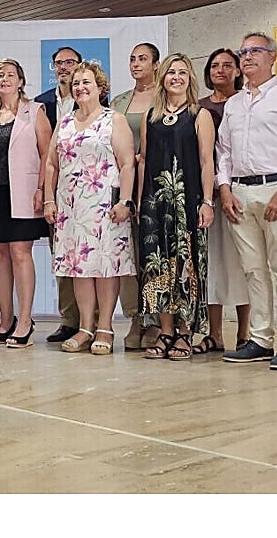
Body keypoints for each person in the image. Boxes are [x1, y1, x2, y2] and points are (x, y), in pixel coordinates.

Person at [218, 34, 277, 371]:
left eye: (255, 51)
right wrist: (224, 188)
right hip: (240, 193)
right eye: (242, 52)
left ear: (272, 56)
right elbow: (223, 152)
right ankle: (260, 338)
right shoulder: (234, 104)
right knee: (253, 270)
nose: (247, 57)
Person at [44, 61, 136, 355]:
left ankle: (105, 327)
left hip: (106, 206)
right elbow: (51, 163)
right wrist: (49, 199)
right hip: (71, 208)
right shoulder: (64, 122)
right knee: (78, 268)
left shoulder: (114, 119)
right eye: (76, 83)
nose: (80, 88)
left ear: (100, 88)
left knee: (106, 267)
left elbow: (127, 163)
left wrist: (125, 201)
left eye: (87, 82)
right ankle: (85, 328)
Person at [139, 53, 216, 360]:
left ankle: (185, 332)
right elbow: (144, 160)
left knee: (187, 265)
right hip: (155, 203)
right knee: (157, 265)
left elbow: (207, 161)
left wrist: (207, 201)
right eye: (171, 72)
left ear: (190, 79)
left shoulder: (199, 115)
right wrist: (138, 201)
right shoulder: (151, 116)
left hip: (188, 201)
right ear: (163, 78)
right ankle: (166, 330)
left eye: (183, 72)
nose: (177, 77)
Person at [0, 59, 51, 348]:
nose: (4, 79)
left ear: (21, 82)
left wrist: (43, 188)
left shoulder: (35, 111)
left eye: (10, 75)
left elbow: (48, 154)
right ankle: (6, 320)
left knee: (20, 253)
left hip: (24, 194)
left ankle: (26, 321)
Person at [35, 45, 108, 344]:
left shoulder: (106, 110)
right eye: (59, 63)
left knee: (99, 262)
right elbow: (48, 158)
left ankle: (98, 323)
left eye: (70, 62)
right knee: (66, 262)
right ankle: (70, 321)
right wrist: (46, 193)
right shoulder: (41, 104)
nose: (64, 67)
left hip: (98, 197)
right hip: (63, 198)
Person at [197, 47, 251, 354]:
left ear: (238, 70)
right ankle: (214, 333)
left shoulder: (245, 102)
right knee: (212, 264)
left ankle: (245, 333)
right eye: (215, 65)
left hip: (239, 192)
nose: (221, 70)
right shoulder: (199, 107)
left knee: (242, 263)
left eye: (228, 65)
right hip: (208, 196)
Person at [110, 43, 162, 351]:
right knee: (127, 252)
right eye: (132, 59)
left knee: (151, 252)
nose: (136, 64)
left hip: (155, 183)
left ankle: (155, 318)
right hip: (124, 184)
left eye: (143, 58)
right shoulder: (119, 101)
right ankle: (135, 317)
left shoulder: (166, 97)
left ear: (156, 64)